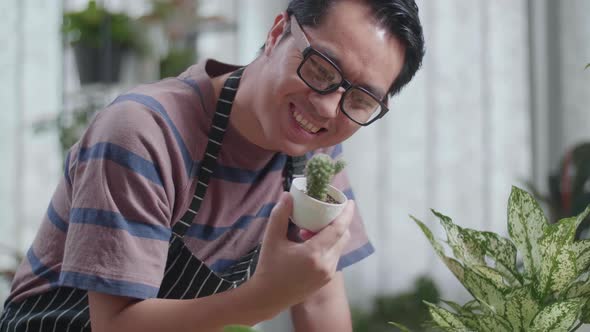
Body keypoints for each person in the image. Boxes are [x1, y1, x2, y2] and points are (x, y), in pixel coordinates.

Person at [0, 0, 425, 331]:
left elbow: (317, 295)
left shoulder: (314, 153)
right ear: (278, 33)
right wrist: (265, 296)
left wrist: (287, 290)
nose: (328, 106)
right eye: (319, 67)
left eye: (360, 100)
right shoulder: (144, 132)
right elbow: (115, 326)